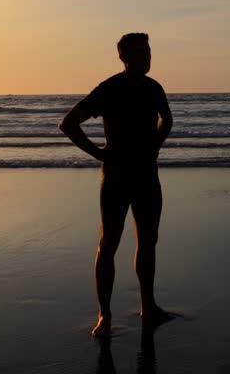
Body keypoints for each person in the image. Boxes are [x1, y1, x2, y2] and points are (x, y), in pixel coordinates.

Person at [59, 32, 174, 337]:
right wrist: (99, 153)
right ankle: (104, 317)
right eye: (138, 52)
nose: (145, 57)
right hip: (117, 177)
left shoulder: (154, 88)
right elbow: (68, 123)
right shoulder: (109, 89)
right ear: (123, 57)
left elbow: (167, 118)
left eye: (148, 51)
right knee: (108, 243)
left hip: (148, 175)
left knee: (148, 241)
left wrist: (157, 142)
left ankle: (148, 307)